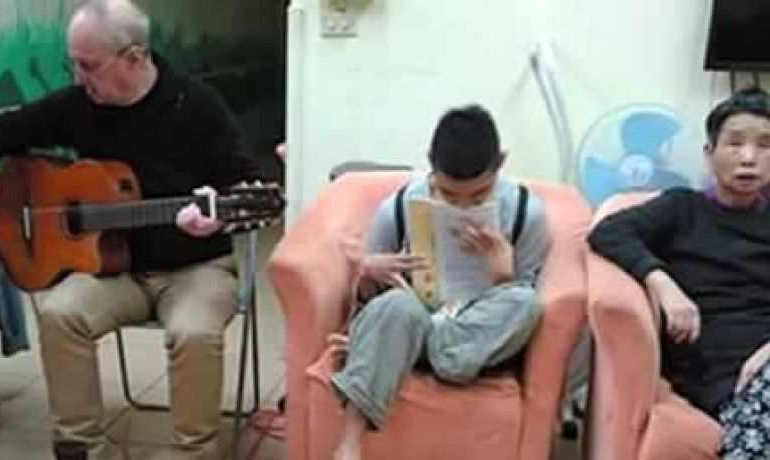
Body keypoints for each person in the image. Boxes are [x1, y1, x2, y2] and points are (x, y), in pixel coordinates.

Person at [0, 1, 260, 459]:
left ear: (135, 57)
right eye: (73, 64)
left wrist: (218, 214)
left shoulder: (198, 106)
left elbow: (247, 184)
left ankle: (193, 453)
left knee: (192, 332)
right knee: (60, 314)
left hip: (195, 267)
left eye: (88, 65)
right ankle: (81, 449)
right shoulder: (79, 105)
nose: (77, 77)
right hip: (114, 269)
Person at [330, 105, 550, 460]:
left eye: (478, 197)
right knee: (395, 306)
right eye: (449, 196)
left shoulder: (529, 214)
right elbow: (367, 303)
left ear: (501, 164)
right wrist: (370, 273)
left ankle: (438, 347)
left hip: (472, 345)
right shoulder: (398, 207)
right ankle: (349, 444)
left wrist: (504, 276)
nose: (463, 207)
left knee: (524, 302)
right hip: (411, 328)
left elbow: (517, 316)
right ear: (430, 165)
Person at [588, 87, 770, 459]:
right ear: (709, 153)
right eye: (734, 144)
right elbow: (607, 232)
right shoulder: (680, 209)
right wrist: (663, 282)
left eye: (765, 146)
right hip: (718, 375)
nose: (749, 158)